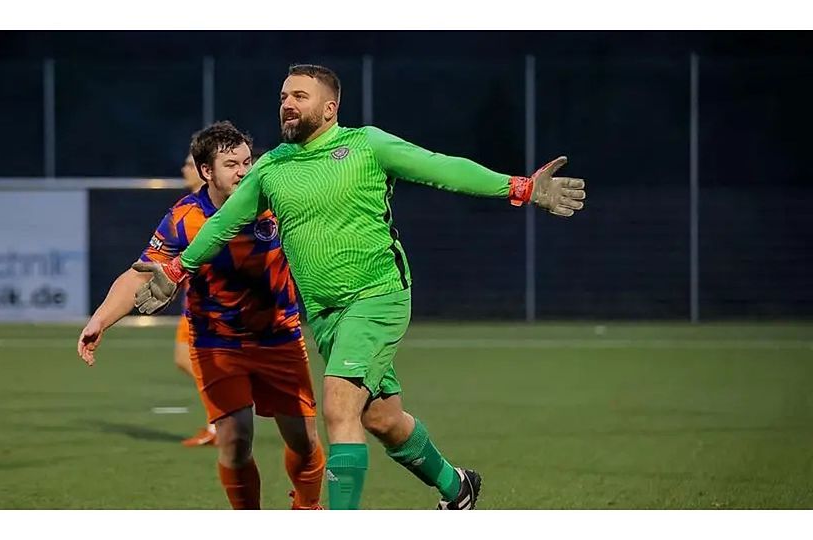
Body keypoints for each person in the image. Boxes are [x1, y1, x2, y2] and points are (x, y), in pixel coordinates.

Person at [132, 64, 587, 509]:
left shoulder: (365, 145)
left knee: (338, 408)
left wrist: (520, 187)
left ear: (330, 108)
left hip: (377, 295)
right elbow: (223, 224)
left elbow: (442, 167)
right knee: (381, 418)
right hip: (327, 314)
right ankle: (457, 486)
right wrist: (178, 269)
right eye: (283, 97)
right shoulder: (271, 167)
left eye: (299, 96)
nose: (287, 104)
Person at [81, 122, 324, 509]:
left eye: (247, 162)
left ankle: (307, 507)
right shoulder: (185, 217)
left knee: (303, 439)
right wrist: (100, 319)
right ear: (207, 171)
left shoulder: (275, 201)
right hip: (217, 343)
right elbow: (140, 273)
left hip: (279, 337)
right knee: (235, 437)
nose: (243, 171)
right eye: (231, 164)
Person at [175, 153, 217, 447]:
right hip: (194, 300)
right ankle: (220, 415)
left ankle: (219, 420)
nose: (184, 170)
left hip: (209, 303)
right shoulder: (187, 207)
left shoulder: (212, 209)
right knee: (184, 358)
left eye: (190, 165)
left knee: (191, 359)